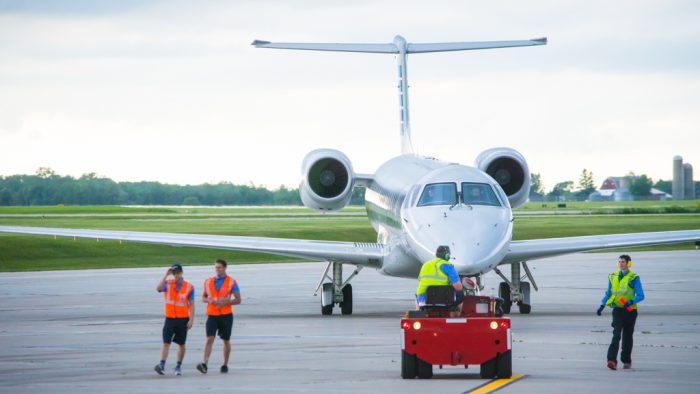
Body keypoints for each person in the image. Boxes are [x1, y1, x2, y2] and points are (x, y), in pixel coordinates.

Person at [596, 254, 645, 370]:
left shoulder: (634, 278)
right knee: (616, 335)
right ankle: (612, 360)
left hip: (630, 310)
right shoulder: (613, 276)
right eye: (619, 262)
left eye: (623, 262)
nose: (621, 264)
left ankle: (626, 361)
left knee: (627, 337)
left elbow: (641, 295)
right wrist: (602, 304)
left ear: (628, 263)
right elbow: (609, 292)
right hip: (617, 310)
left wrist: (630, 302)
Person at [197, 259, 241, 374]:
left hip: (226, 315)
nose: (217, 269)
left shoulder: (231, 282)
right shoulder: (208, 281)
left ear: (225, 268)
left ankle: (225, 364)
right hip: (212, 315)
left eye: (219, 267)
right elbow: (203, 298)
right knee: (210, 338)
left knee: (226, 340)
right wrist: (209, 300)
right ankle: (205, 363)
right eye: (216, 267)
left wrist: (225, 303)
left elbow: (238, 299)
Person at [155, 264, 195, 376]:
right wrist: (165, 275)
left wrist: (191, 320)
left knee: (181, 343)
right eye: (174, 273)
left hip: (182, 319)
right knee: (166, 342)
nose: (175, 275)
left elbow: (191, 305)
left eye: (177, 272)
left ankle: (178, 365)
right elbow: (158, 288)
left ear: (182, 273)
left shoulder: (189, 287)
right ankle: (162, 364)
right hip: (170, 318)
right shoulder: (167, 284)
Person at [415, 245, 463, 316]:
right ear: (447, 256)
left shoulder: (425, 265)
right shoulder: (447, 265)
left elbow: (421, 281)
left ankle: (419, 313)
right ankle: (454, 318)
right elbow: (458, 287)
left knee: (417, 294)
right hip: (445, 301)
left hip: (424, 301)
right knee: (460, 294)